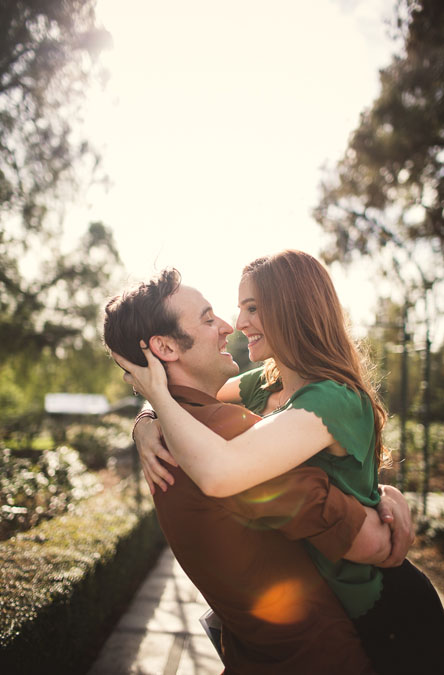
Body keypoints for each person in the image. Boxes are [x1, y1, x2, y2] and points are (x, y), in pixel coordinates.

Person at [117, 252, 444, 674]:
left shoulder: (332, 399)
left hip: (378, 608)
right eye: (239, 307)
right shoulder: (262, 383)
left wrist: (155, 401)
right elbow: (191, 396)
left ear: (292, 308)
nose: (238, 323)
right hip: (325, 607)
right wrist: (145, 418)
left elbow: (220, 468)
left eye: (252, 307)